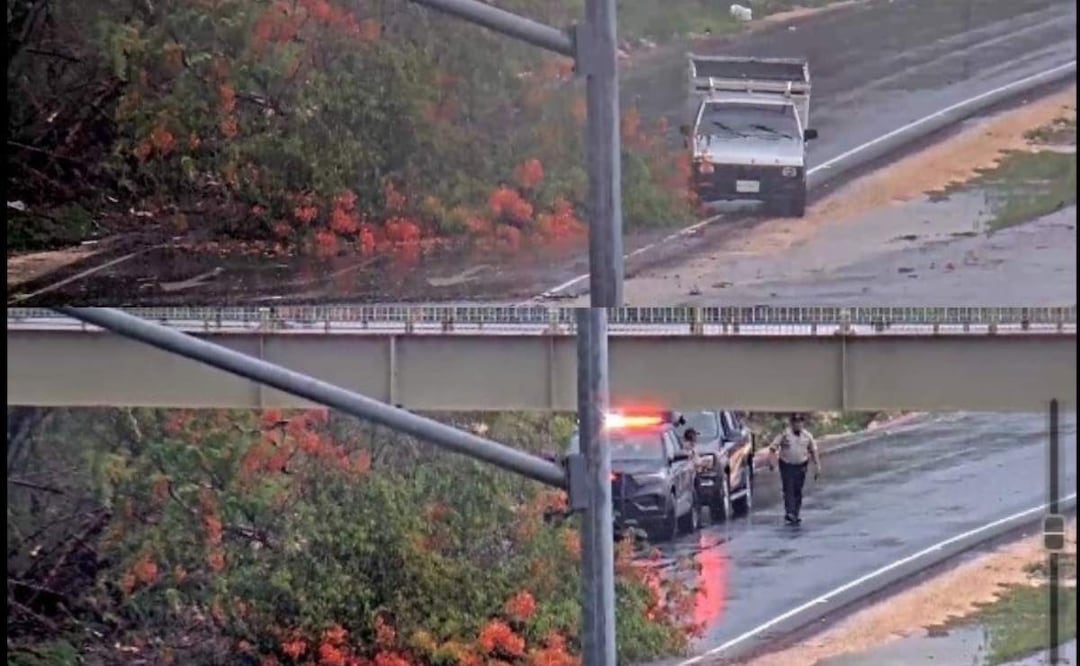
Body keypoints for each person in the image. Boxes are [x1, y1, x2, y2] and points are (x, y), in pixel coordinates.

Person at [767, 414, 821, 525]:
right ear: (792, 423)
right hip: (787, 465)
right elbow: (773, 448)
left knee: (797, 490)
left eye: (800, 422)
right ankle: (789, 512)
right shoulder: (785, 434)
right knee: (788, 488)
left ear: (803, 423)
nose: (798, 424)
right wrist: (772, 462)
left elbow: (813, 451)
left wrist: (817, 466)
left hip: (801, 465)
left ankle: (796, 513)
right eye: (795, 422)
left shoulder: (807, 436)